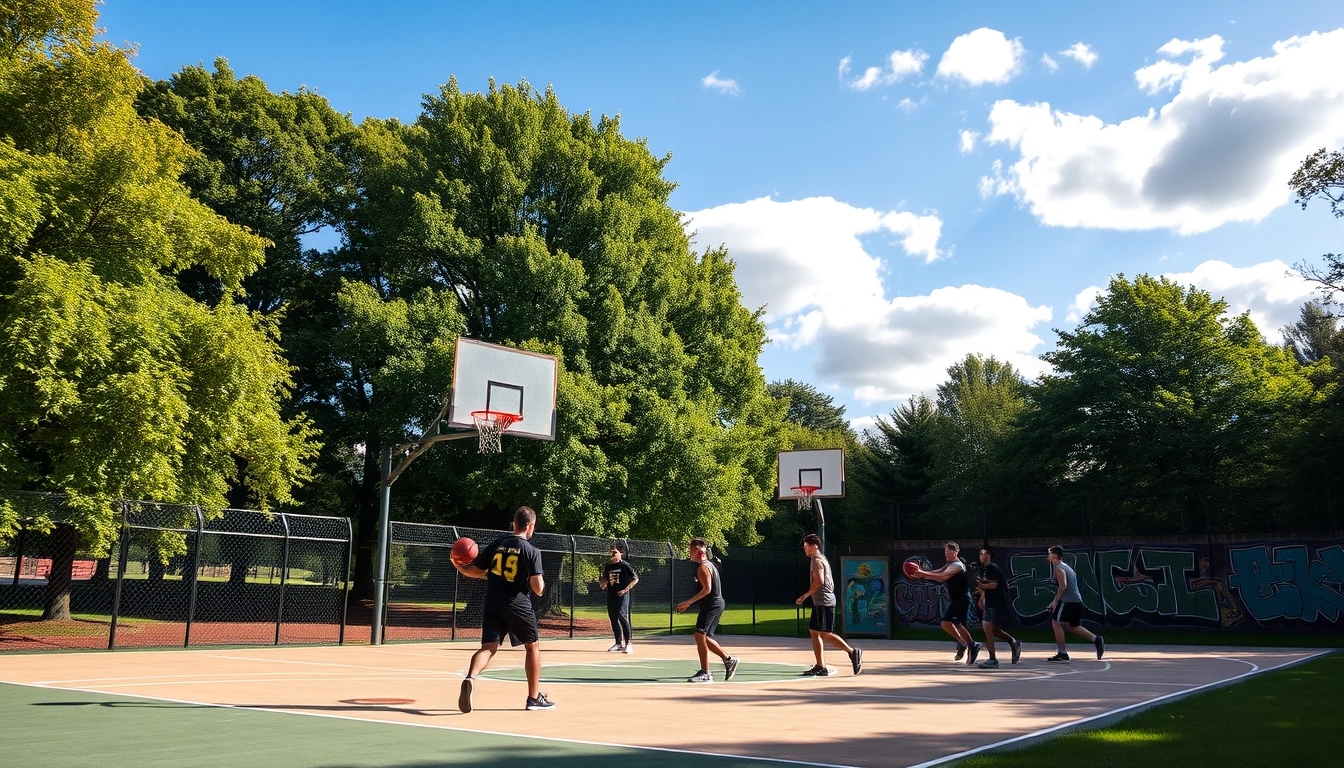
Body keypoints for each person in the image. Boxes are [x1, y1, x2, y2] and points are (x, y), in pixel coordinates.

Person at [451, 506, 555, 711]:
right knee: (532, 646)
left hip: (492, 603)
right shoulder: (531, 551)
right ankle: (533, 698)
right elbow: (539, 588)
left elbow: (473, 571)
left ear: (513, 524)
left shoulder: (496, 544)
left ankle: (470, 677)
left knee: (488, 647)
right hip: (517, 604)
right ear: (530, 526)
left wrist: (457, 564)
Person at [794, 533, 862, 676]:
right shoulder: (820, 558)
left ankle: (852, 652)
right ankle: (820, 665)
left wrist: (805, 595)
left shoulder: (816, 560)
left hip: (824, 602)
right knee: (814, 632)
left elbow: (819, 582)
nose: (804, 549)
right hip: (821, 601)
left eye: (806, 546)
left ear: (815, 546)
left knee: (825, 633)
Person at [675, 538, 739, 683]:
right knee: (703, 637)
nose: (689, 553)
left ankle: (705, 673)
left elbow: (707, 589)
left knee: (699, 634)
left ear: (699, 551)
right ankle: (728, 660)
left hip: (712, 605)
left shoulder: (703, 567)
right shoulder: (709, 565)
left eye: (691, 550)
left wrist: (688, 602)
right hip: (714, 604)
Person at [914, 542, 980, 665]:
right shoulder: (949, 565)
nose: (946, 554)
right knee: (949, 623)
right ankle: (964, 643)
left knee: (956, 624)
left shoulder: (958, 565)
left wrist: (924, 574)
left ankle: (971, 645)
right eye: (945, 552)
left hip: (962, 599)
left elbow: (944, 576)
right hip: (956, 599)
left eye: (948, 552)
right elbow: (938, 575)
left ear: (955, 552)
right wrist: (922, 574)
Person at [1046, 545, 1105, 663]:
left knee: (1056, 623)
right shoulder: (1066, 567)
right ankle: (1096, 639)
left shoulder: (1059, 567)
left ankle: (1062, 653)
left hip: (1069, 601)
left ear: (1055, 555)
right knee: (1072, 626)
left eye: (1049, 553)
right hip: (1076, 601)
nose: (1048, 556)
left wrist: (1055, 602)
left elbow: (1063, 586)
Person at [973, 546, 1021, 669]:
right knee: (991, 630)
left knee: (990, 629)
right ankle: (1011, 643)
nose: (984, 556)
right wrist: (982, 597)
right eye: (982, 554)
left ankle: (994, 659)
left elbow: (993, 585)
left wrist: (981, 585)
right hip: (990, 602)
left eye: (986, 554)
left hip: (997, 603)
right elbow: (986, 585)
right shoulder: (984, 569)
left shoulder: (992, 568)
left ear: (990, 556)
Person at [598, 544, 638, 653]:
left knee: (622, 616)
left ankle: (628, 643)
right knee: (613, 618)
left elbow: (635, 579)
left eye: (615, 552)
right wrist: (602, 582)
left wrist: (625, 590)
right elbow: (604, 583)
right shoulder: (607, 567)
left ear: (621, 553)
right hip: (611, 595)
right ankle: (618, 643)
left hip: (623, 596)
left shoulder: (625, 566)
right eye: (611, 552)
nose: (612, 554)